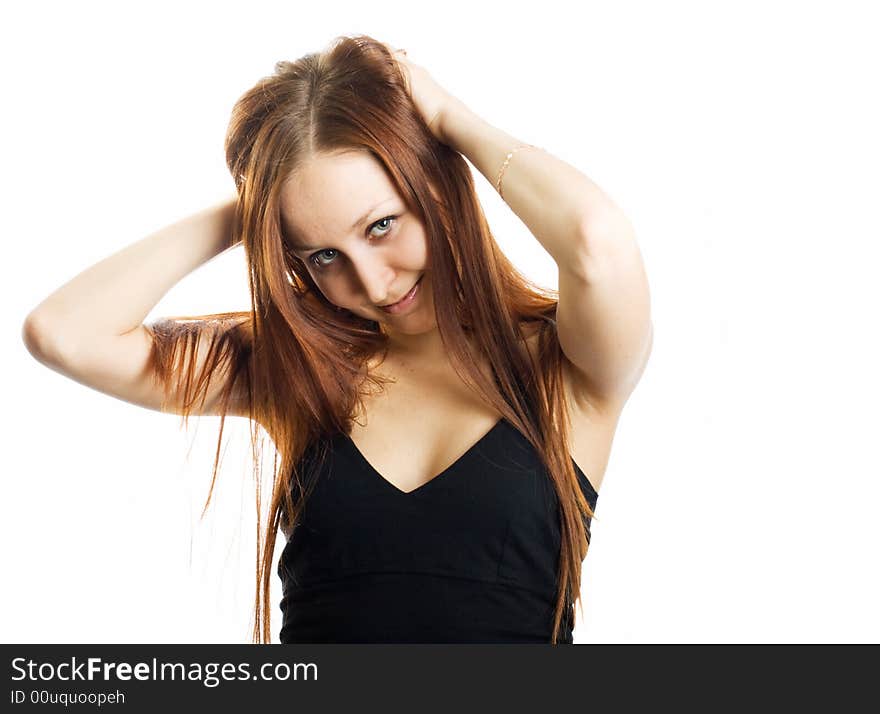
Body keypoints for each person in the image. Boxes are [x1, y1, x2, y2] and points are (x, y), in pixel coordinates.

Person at [21, 35, 653, 644]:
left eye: (381, 225)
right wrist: (259, 205)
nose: (373, 283)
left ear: (434, 186)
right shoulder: (294, 368)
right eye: (324, 255)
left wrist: (448, 120)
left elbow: (597, 241)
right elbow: (63, 334)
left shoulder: (567, 364)